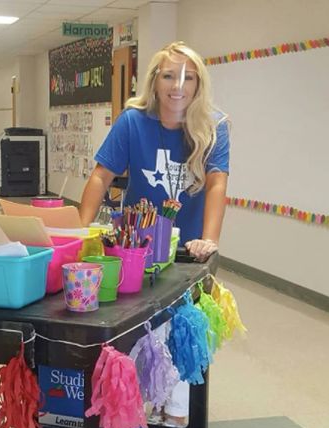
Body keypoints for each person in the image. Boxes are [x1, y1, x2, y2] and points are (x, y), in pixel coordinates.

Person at [79, 41, 230, 262]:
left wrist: (209, 241)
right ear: (154, 81)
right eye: (168, 76)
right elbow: (101, 177)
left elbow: (217, 183)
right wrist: (81, 231)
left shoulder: (214, 127)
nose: (177, 86)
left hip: (189, 249)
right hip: (137, 245)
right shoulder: (132, 121)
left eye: (188, 77)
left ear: (198, 84)